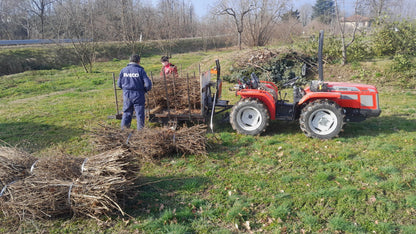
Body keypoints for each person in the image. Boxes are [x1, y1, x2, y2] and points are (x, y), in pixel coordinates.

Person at [117, 54, 152, 130]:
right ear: (138, 61)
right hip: (138, 94)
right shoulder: (140, 70)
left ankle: (124, 131)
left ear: (130, 61)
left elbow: (119, 84)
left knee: (126, 113)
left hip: (127, 94)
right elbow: (148, 84)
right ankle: (140, 132)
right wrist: (145, 90)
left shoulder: (123, 70)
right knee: (139, 114)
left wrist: (126, 89)